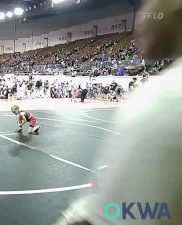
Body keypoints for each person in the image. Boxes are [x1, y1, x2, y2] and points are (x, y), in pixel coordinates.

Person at [52, 0, 182, 224]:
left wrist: (79, 216)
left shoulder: (167, 97)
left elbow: (126, 212)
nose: (142, 18)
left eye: (151, 6)